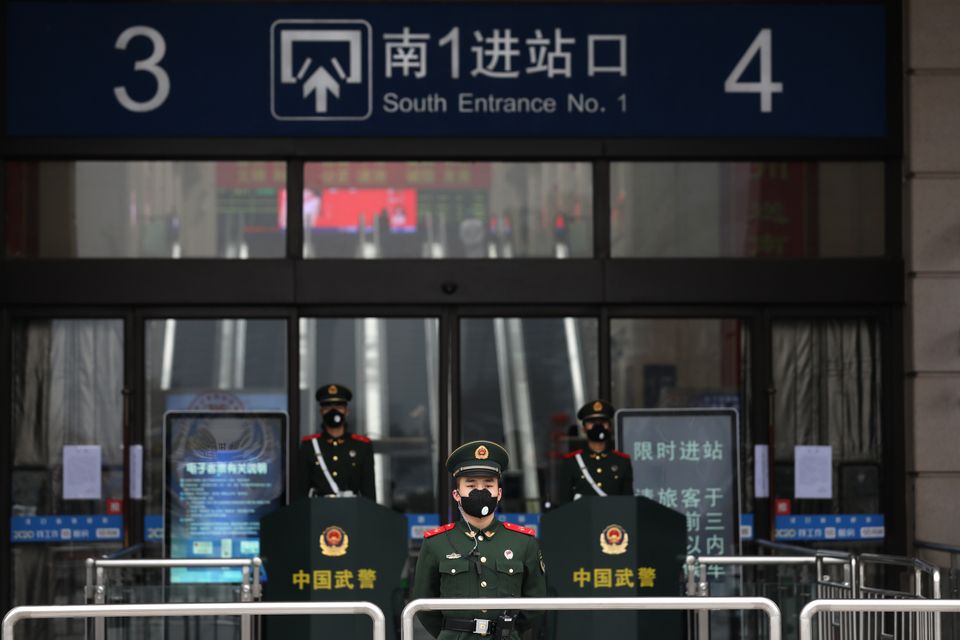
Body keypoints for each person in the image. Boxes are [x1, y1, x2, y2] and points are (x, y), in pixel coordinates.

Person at [412, 440, 546, 639]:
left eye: (488, 485)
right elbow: (424, 605)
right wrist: (452, 632)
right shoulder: (436, 542)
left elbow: (536, 603)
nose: (480, 491)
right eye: (471, 485)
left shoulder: (523, 542)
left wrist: (508, 630)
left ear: (499, 493)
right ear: (457, 494)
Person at [298, 383, 376, 499]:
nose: (333, 411)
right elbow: (301, 490)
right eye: (328, 407)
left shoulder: (361, 446)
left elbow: (368, 491)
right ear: (321, 412)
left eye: (339, 406)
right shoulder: (309, 446)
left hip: (351, 511)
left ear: (346, 411)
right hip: (318, 511)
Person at [556, 400, 633, 503]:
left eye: (603, 422)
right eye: (592, 423)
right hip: (582, 518)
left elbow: (628, 502)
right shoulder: (571, 462)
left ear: (609, 427)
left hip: (613, 518)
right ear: (584, 428)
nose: (598, 427)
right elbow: (564, 502)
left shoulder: (622, 461)